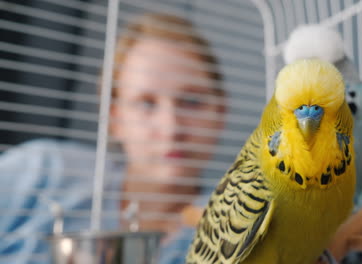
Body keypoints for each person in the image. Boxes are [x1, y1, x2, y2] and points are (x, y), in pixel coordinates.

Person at [0, 13, 225, 263]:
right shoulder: (41, 173)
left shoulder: (230, 235)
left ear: (221, 112)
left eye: (192, 101)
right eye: (146, 103)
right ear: (114, 118)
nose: (171, 127)